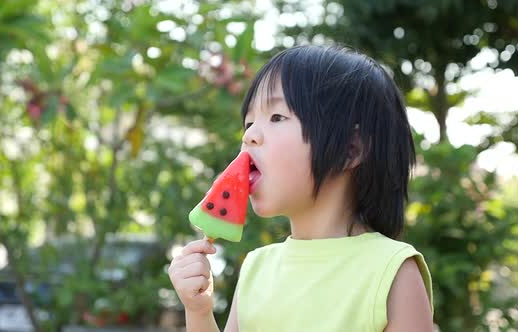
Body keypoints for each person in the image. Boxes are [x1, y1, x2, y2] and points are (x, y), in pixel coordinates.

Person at [168, 45, 434, 332]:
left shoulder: (393, 272)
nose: (249, 135)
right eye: (249, 122)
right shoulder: (256, 268)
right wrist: (198, 311)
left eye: (277, 117)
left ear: (350, 149)